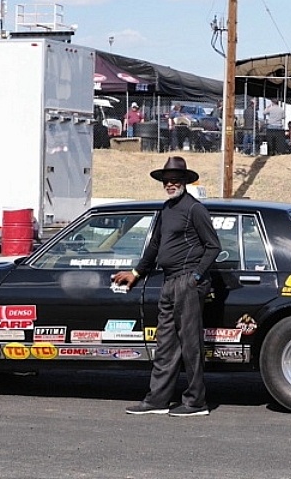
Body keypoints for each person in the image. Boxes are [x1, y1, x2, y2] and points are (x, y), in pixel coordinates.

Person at [113, 156, 220, 417]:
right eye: (166, 181)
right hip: (169, 281)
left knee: (191, 344)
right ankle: (157, 400)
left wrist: (195, 276)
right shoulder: (166, 209)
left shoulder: (195, 209)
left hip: (187, 282)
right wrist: (137, 272)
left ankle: (195, 403)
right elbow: (154, 246)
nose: (170, 184)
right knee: (165, 344)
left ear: (185, 182)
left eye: (175, 180)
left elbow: (213, 246)